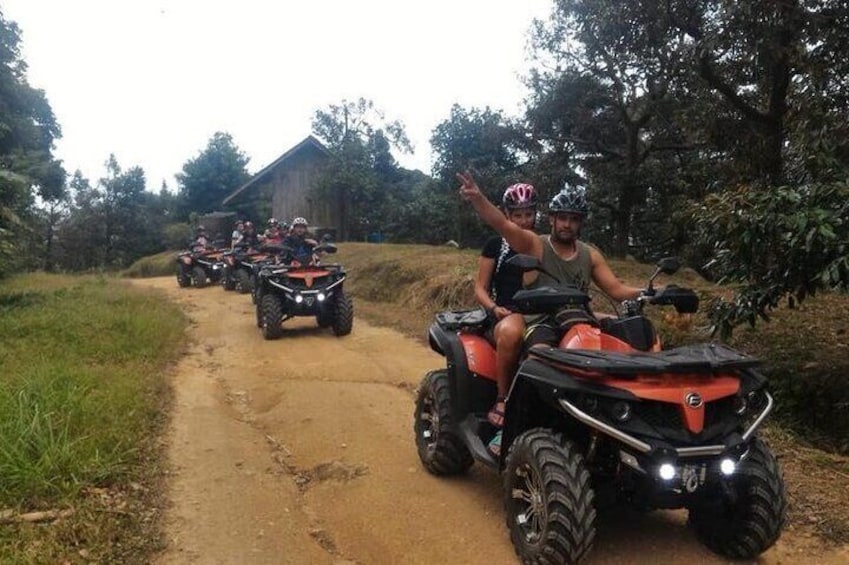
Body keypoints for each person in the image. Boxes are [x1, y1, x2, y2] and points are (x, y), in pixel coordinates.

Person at [459, 171, 643, 455]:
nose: (567, 225)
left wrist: (652, 292)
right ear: (553, 219)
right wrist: (479, 198)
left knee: (622, 344)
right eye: (563, 218)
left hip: (578, 321)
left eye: (574, 219)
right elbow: (501, 225)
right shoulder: (535, 244)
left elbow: (617, 289)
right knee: (539, 362)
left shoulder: (589, 254)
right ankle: (510, 415)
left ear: (580, 223)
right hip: (541, 321)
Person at [474, 183, 538, 436]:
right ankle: (502, 398)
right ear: (507, 215)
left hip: (539, 312)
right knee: (512, 333)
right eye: (517, 215)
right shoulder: (495, 245)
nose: (523, 221)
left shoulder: (541, 244)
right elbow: (480, 288)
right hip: (506, 313)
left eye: (528, 214)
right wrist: (494, 308)